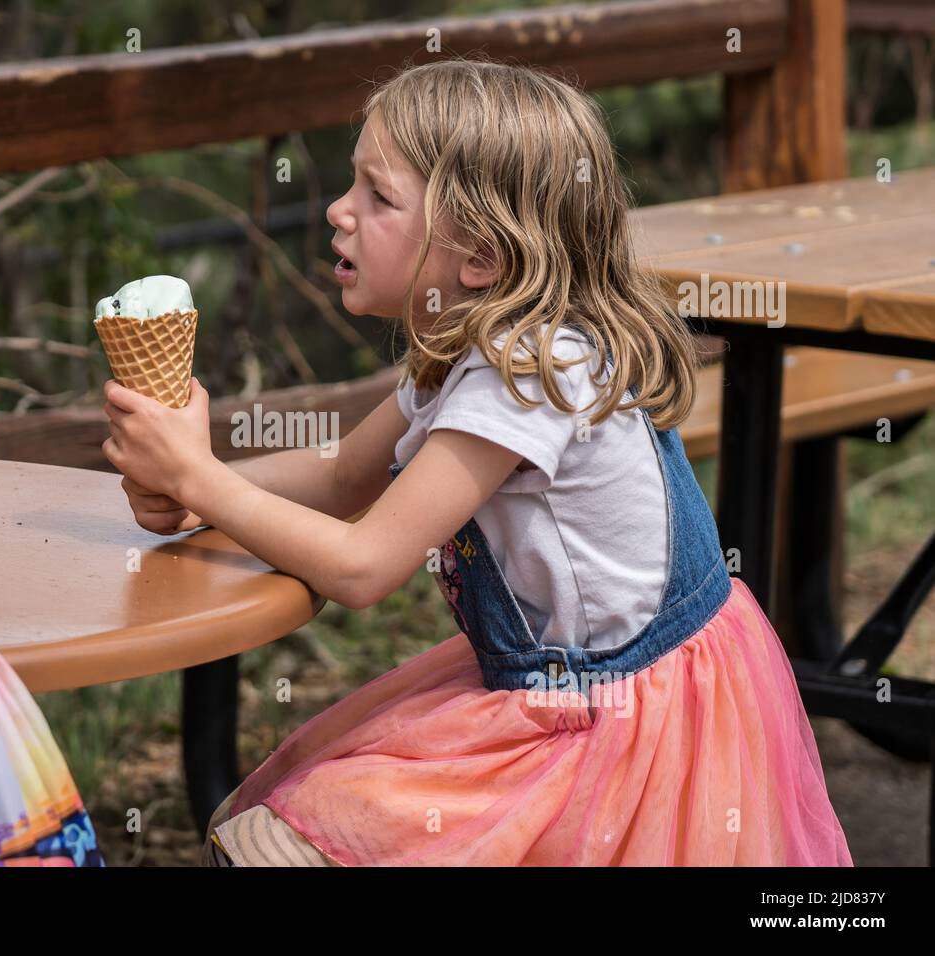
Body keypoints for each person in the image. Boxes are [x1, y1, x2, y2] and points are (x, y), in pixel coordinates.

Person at [101, 58, 853, 866]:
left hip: (623, 722)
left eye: (377, 196)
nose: (336, 211)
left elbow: (362, 568)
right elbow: (339, 478)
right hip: (569, 687)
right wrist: (201, 488)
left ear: (481, 259)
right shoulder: (470, 346)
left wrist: (200, 479)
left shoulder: (526, 374)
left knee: (285, 846)